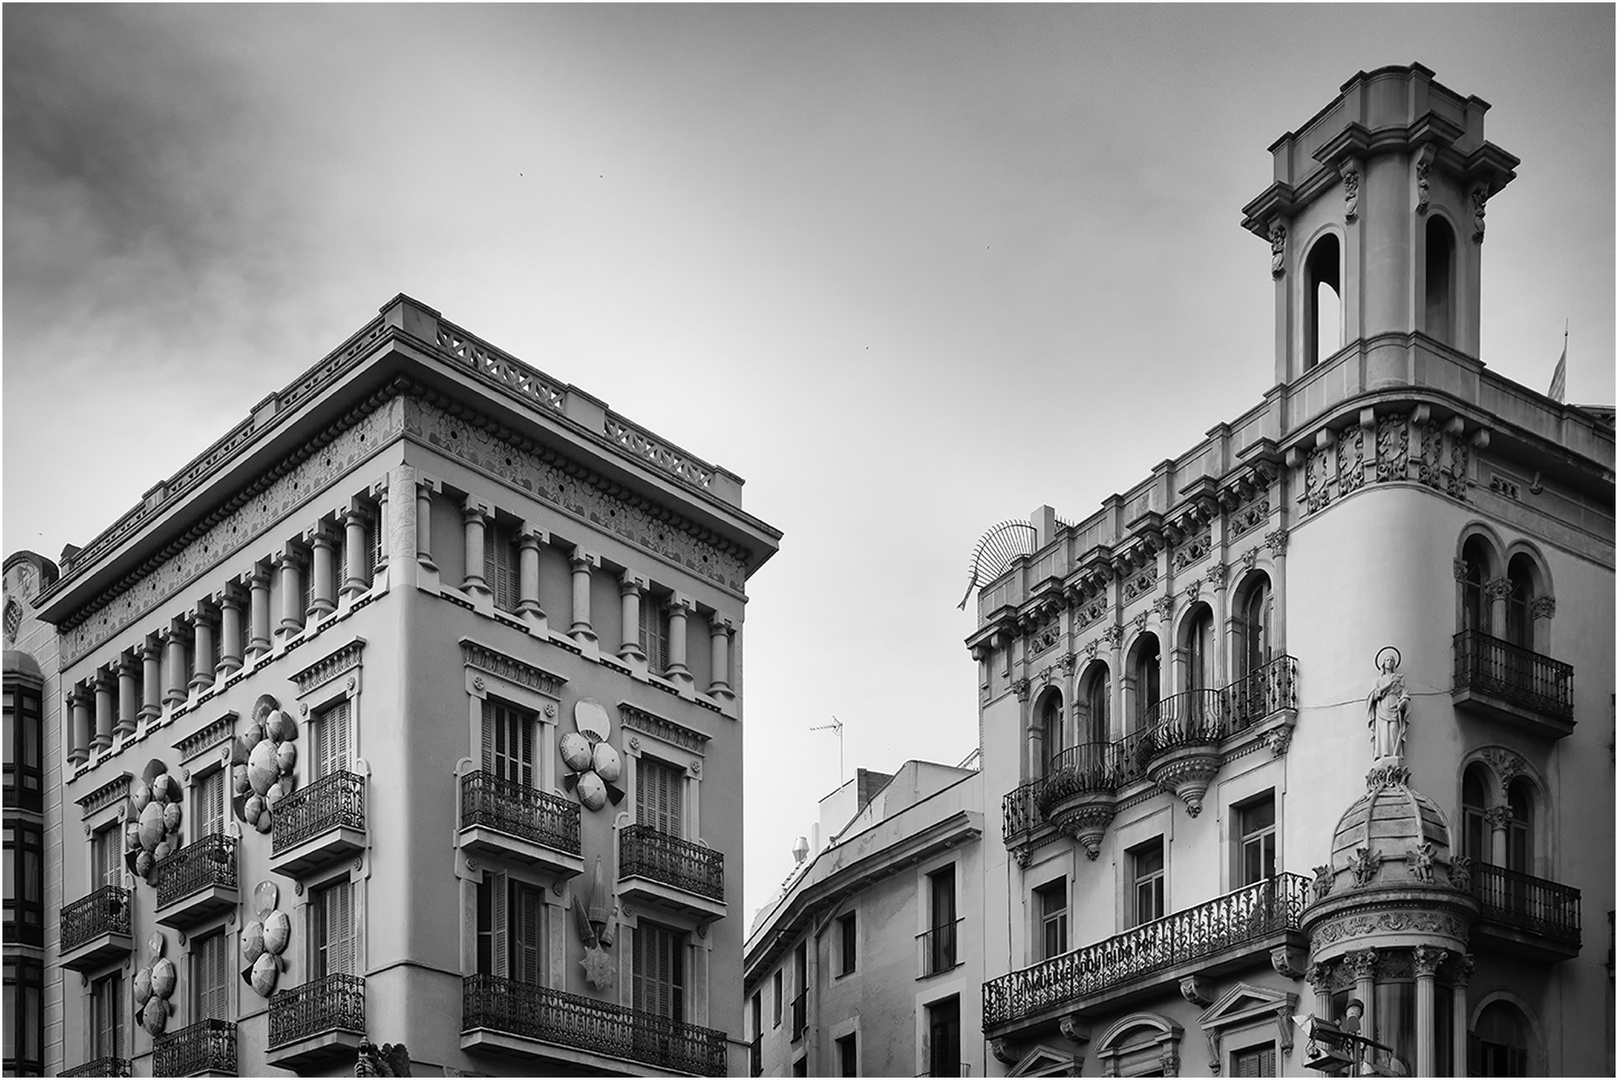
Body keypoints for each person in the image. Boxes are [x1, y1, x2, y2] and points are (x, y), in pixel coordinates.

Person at [1367, 649, 1410, 760]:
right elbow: (1373, 695)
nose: (1390, 662)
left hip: (1395, 705)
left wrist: (1404, 700)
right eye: (1388, 660)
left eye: (1392, 660)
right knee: (1383, 732)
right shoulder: (1378, 680)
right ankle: (1383, 754)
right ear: (1383, 663)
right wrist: (1389, 684)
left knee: (1393, 731)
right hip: (1382, 707)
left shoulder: (1399, 678)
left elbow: (1404, 692)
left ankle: (1394, 754)